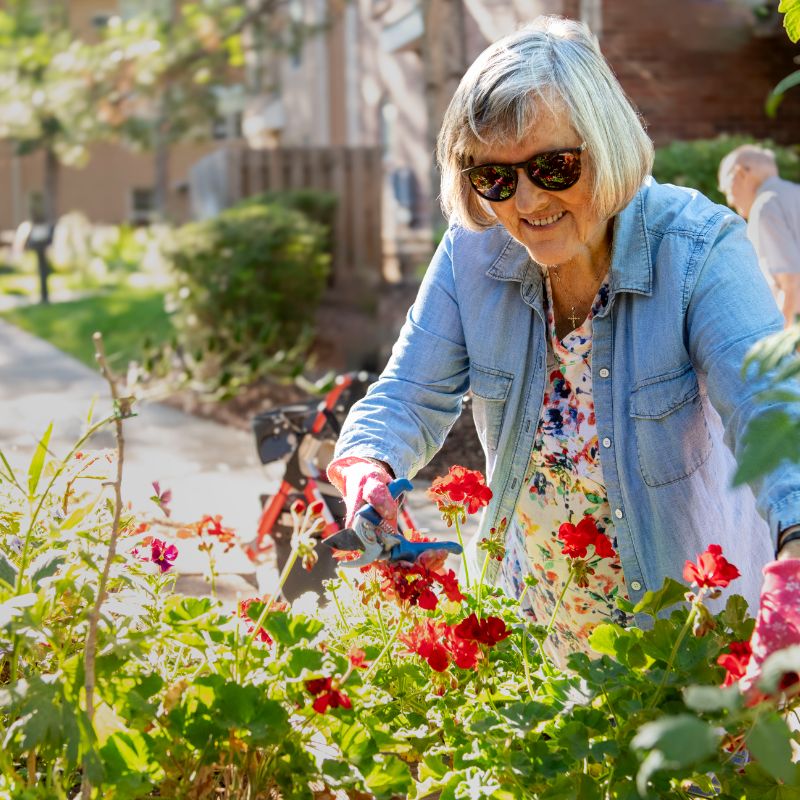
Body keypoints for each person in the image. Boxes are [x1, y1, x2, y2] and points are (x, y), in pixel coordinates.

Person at [327, 16, 800, 676]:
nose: (525, 202)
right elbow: (407, 395)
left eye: (553, 167)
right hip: (529, 643)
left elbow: (773, 419)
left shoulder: (697, 249)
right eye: (494, 177)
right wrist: (369, 468)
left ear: (605, 148)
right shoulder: (473, 252)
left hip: (678, 644)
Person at [718, 144, 800, 326]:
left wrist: (778, 347)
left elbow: (791, 283)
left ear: (741, 174)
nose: (730, 201)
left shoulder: (764, 205)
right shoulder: (794, 193)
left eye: (727, 188)